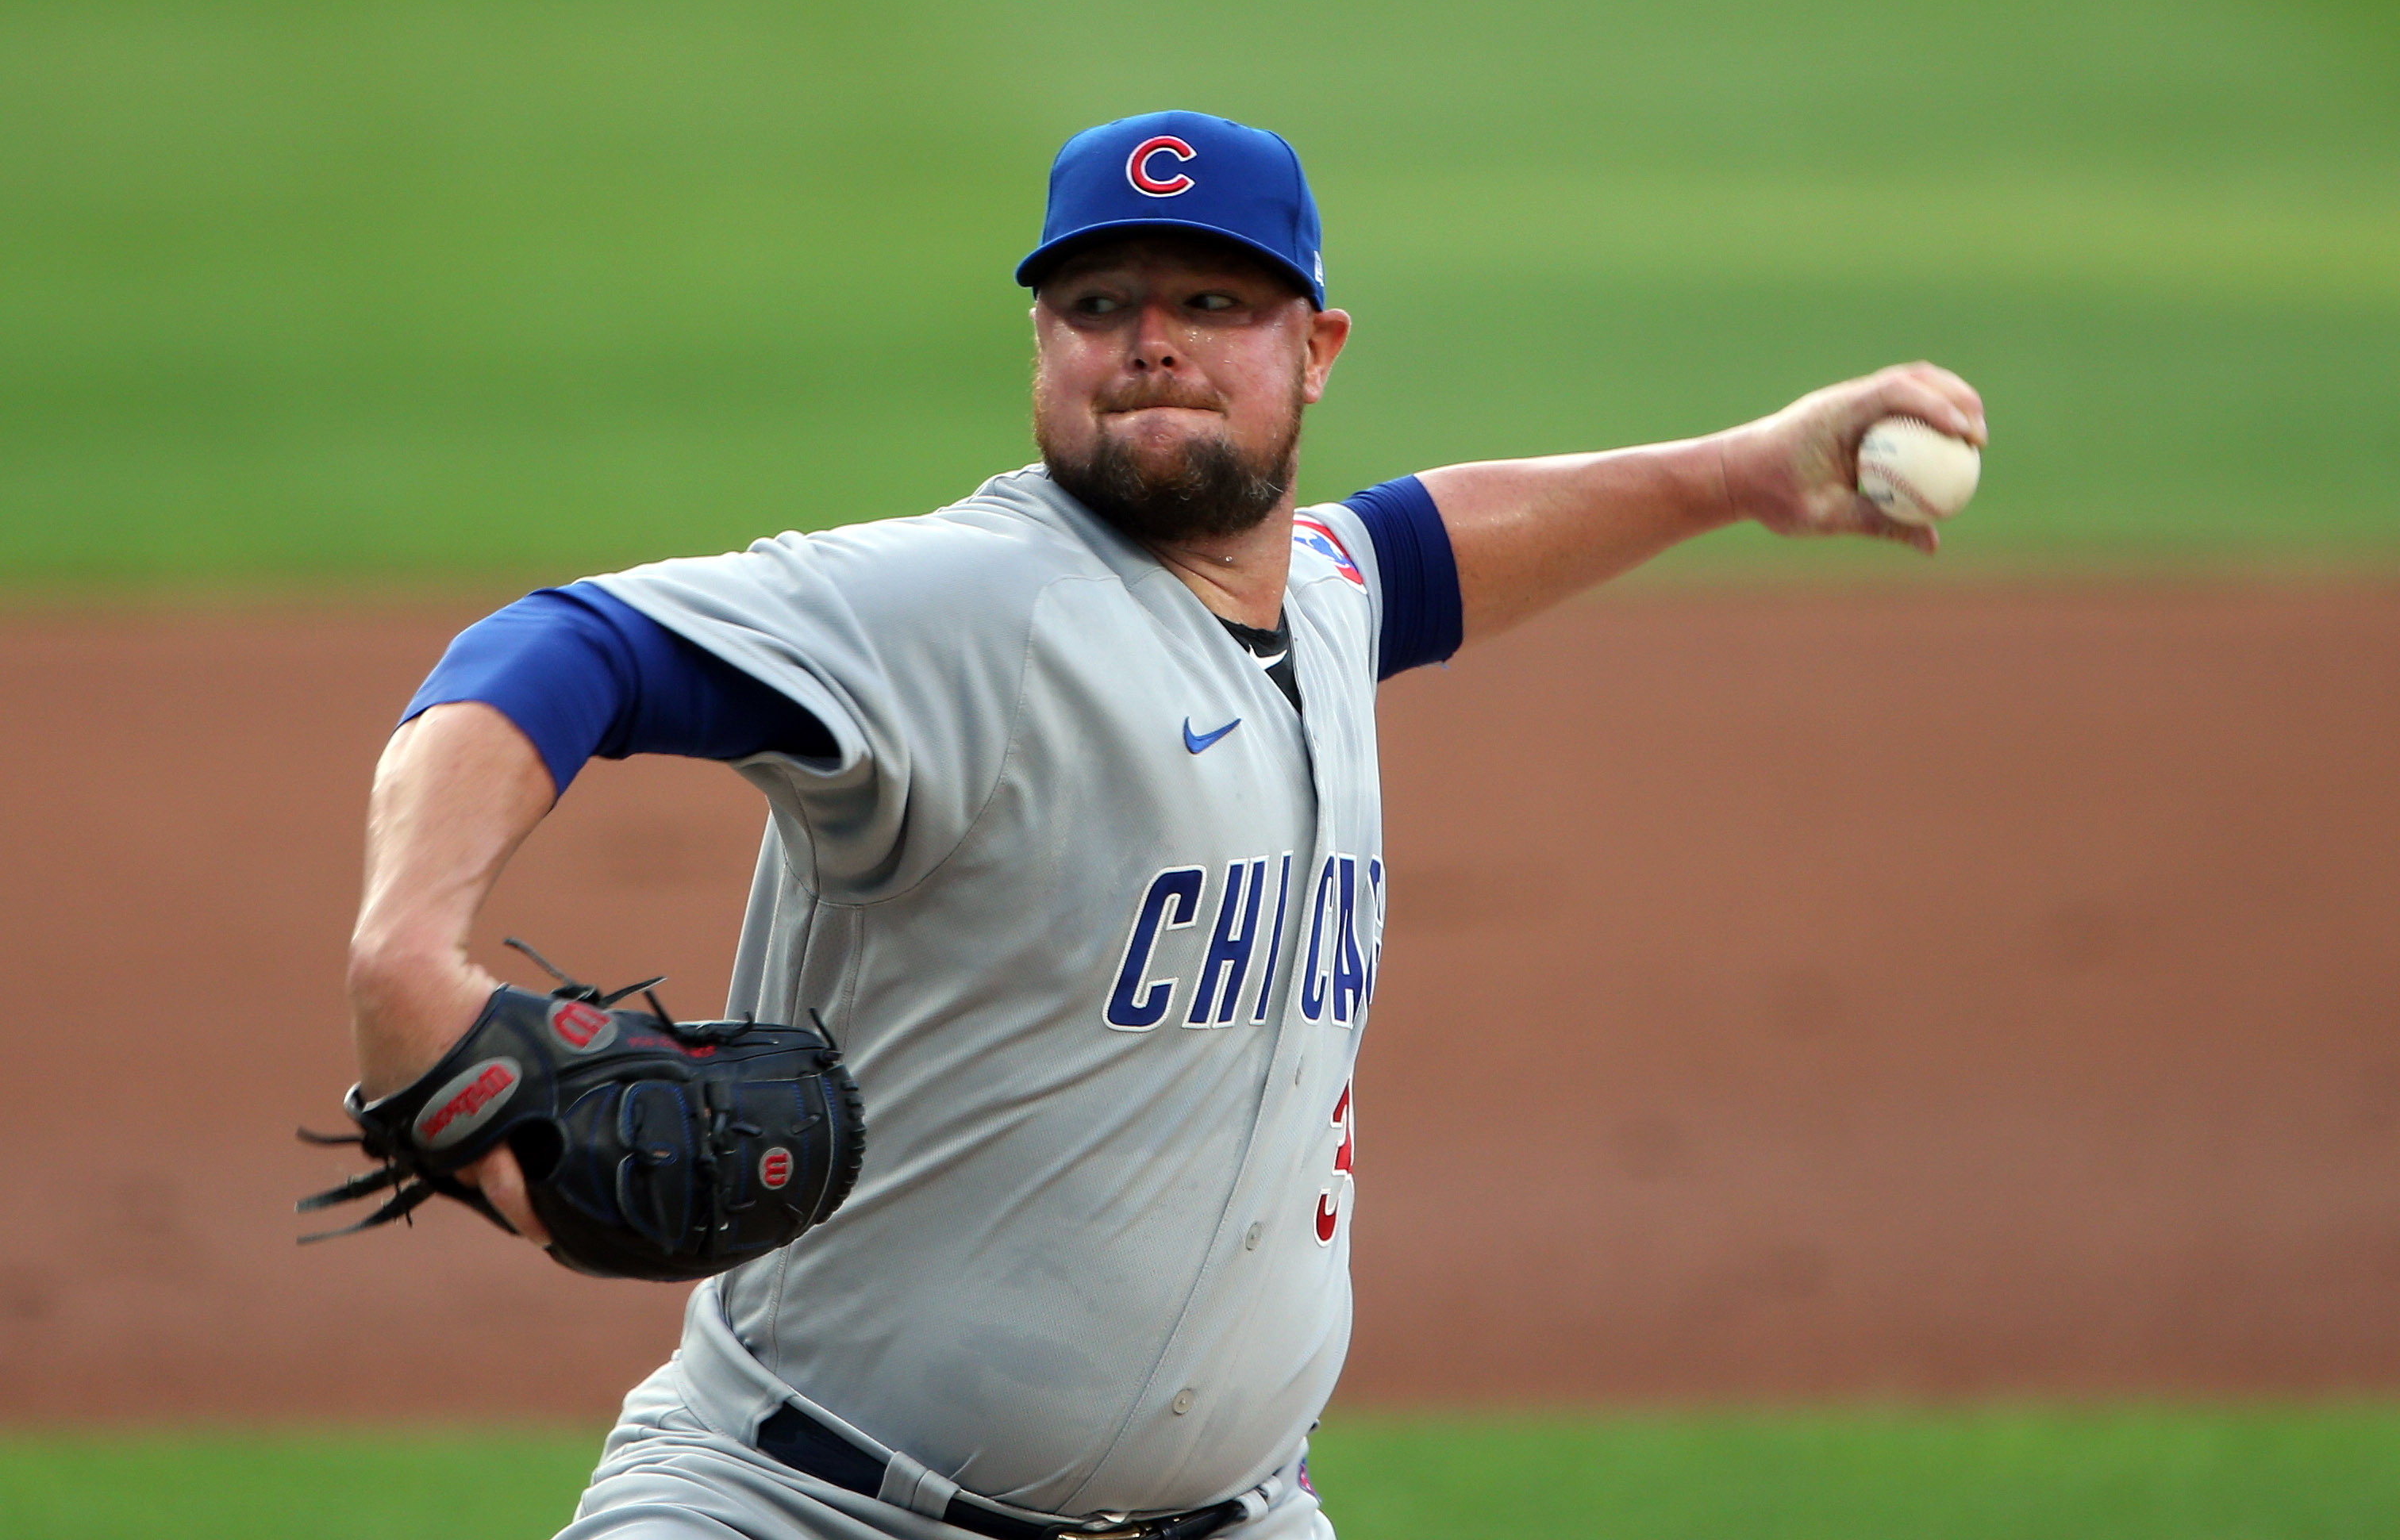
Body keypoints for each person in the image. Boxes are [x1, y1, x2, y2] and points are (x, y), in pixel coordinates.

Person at [344, 110, 1984, 1540]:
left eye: (1215, 303)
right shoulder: (965, 608)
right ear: (1043, 345)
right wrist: (407, 943)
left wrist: (1731, 473)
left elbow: (1421, 550)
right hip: (800, 1504)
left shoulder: (1318, 603)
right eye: (1100, 303)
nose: (1153, 340)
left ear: (1317, 350)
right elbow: (564, 651)